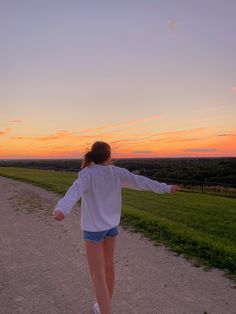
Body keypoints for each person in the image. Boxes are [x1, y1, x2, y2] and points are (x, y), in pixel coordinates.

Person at [52, 141, 181, 314]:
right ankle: (103, 306)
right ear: (108, 156)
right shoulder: (116, 173)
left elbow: (73, 192)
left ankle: (105, 309)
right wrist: (166, 188)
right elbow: (141, 182)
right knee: (109, 267)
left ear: (93, 155)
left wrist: (61, 209)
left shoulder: (87, 174)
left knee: (98, 276)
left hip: (94, 231)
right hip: (111, 228)